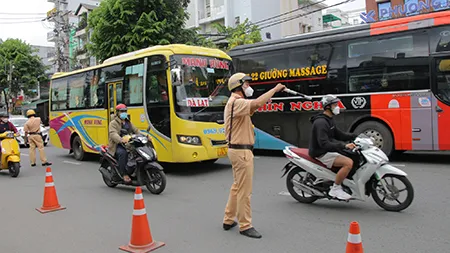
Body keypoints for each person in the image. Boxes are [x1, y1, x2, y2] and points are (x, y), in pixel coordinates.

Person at [222, 72, 286, 239]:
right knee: (245, 191)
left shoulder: (235, 103)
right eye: (246, 84)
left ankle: (228, 219)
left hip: (238, 151)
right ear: (238, 86)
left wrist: (265, 100)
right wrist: (275, 89)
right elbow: (256, 102)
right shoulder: (236, 102)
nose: (249, 87)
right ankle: (245, 225)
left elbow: (255, 106)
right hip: (241, 152)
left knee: (237, 187)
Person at [308, 94, 358, 200]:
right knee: (348, 163)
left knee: (353, 155)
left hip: (327, 149)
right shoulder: (321, 122)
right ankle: (335, 188)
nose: (337, 107)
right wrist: (344, 145)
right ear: (327, 107)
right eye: (335, 105)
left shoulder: (328, 119)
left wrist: (355, 136)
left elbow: (339, 134)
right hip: (321, 152)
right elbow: (324, 144)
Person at [108, 104, 146, 183]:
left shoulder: (128, 122)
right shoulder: (113, 123)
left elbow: (136, 131)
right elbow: (113, 134)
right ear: (117, 112)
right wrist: (121, 139)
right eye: (122, 111)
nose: (124, 113)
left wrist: (145, 136)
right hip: (117, 145)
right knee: (123, 153)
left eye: (125, 111)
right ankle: (124, 174)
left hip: (128, 144)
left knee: (139, 152)